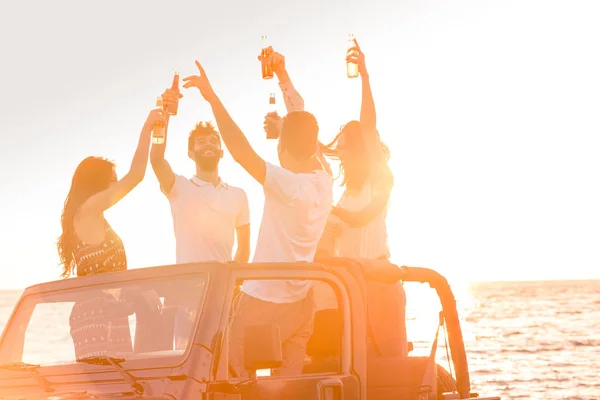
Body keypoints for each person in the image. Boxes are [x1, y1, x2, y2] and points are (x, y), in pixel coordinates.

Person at [182, 60, 333, 376]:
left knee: (238, 382)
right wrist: (285, 117)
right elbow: (305, 136)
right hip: (301, 304)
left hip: (262, 302)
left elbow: (239, 150)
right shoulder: (324, 181)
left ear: (284, 147)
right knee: (287, 389)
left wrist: (212, 98)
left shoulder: (287, 184)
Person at [57, 106, 166, 359]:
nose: (117, 184)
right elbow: (136, 176)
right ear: (98, 182)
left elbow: (112, 277)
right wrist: (148, 126)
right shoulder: (88, 210)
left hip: (108, 312)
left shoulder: (90, 214)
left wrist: (141, 290)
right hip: (97, 315)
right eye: (113, 179)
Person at [150, 90, 250, 265]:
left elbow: (244, 249)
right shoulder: (178, 187)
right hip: (187, 286)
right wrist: (164, 116)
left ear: (221, 152)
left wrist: (232, 280)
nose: (208, 144)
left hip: (222, 287)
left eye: (213, 141)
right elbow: (156, 159)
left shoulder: (239, 195)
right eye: (201, 142)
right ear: (191, 154)